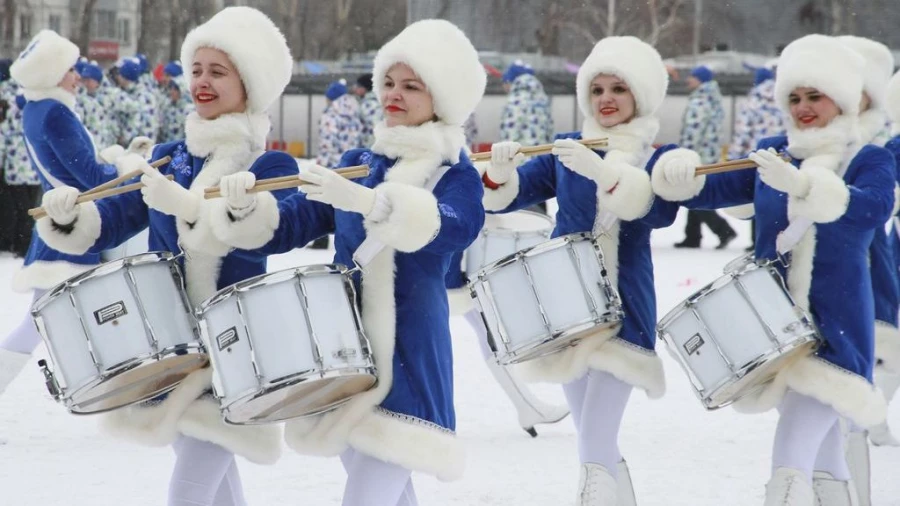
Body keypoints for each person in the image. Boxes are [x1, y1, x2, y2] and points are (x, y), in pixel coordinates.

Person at [211, 18, 486, 506]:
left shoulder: (455, 174)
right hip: (344, 349)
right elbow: (294, 224)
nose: (393, 94)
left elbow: (455, 227)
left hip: (410, 350)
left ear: (441, 98)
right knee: (382, 484)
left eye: (411, 85)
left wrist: (371, 205)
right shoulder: (363, 161)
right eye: (388, 82)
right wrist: (245, 208)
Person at [33, 7, 295, 504]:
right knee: (215, 487)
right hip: (172, 344)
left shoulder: (268, 162)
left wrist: (197, 208)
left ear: (250, 85)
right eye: (196, 69)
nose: (201, 81)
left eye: (218, 72)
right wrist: (68, 214)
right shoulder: (173, 155)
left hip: (235, 348)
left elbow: (266, 232)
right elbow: (111, 219)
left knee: (192, 487)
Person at [653, 34, 895, 505]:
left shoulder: (868, 159)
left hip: (837, 332)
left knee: (790, 461)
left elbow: (871, 209)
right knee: (825, 464)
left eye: (815, 97)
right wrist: (677, 171)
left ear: (842, 101)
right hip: (774, 331)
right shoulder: (771, 152)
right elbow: (713, 189)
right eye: (795, 98)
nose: (803, 108)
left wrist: (804, 185)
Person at [482, 36, 684, 504]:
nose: (607, 99)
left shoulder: (656, 156)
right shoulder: (568, 148)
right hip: (563, 308)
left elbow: (657, 213)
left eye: (619, 88)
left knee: (594, 443)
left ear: (641, 96)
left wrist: (600, 171)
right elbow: (508, 195)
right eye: (597, 90)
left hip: (625, 308)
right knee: (595, 444)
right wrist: (499, 171)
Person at [0, 30, 138, 401]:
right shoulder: (56, 112)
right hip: (71, 225)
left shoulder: (36, 108)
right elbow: (90, 177)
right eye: (71, 69)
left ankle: (122, 389)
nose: (78, 76)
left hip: (60, 221)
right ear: (52, 72)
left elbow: (73, 167)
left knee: (62, 317)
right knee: (43, 321)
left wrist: (115, 157)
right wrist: (132, 168)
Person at [836, 35, 897, 506]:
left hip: (872, 256)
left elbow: (879, 200)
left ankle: (873, 420)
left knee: (877, 341)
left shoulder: (877, 149)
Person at [675, 65, 736, 249]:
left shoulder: (699, 102)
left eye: (692, 77)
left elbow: (693, 132)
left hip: (697, 156)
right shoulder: (712, 100)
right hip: (708, 154)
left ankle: (724, 230)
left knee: (694, 195)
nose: (688, 80)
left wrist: (683, 155)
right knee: (695, 194)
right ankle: (692, 236)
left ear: (700, 80)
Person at [0, 93, 42, 258]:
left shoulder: (10, 121)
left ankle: (20, 244)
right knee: (29, 209)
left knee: (21, 210)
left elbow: (3, 143)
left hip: (15, 175)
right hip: (33, 174)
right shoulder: (36, 119)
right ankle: (24, 245)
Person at [499, 60, 554, 147]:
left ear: (510, 81)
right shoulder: (542, 99)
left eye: (504, 82)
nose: (504, 87)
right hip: (542, 155)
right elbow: (550, 130)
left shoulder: (515, 101)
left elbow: (509, 133)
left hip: (523, 156)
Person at [317, 78, 362, 169]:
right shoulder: (354, 112)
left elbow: (327, 142)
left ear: (331, 98)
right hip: (352, 163)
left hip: (333, 165)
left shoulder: (330, 115)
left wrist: (321, 165)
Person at [353, 72, 382, 148]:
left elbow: (373, 130)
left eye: (358, 86)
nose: (355, 89)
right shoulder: (375, 102)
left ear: (365, 88)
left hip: (370, 150)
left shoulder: (369, 105)